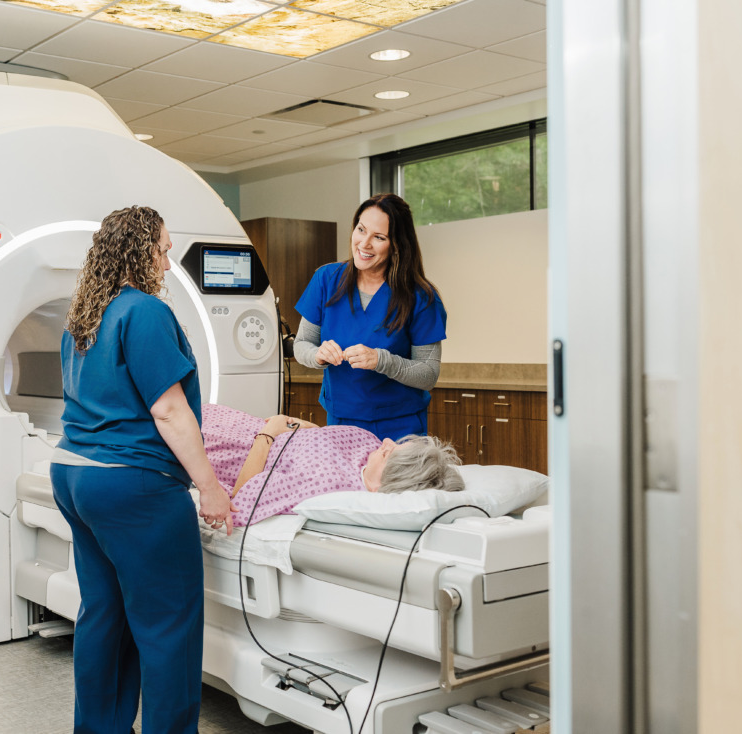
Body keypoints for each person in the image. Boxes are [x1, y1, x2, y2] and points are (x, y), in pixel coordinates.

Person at [50, 206, 234, 734]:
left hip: (74, 475)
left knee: (104, 613)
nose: (168, 261)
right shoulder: (144, 311)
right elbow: (168, 410)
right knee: (168, 625)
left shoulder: (83, 315)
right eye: (163, 249)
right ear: (138, 251)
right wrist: (210, 487)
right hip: (132, 485)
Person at [293, 193, 448, 441]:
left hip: (400, 427)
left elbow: (428, 374)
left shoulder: (421, 297)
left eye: (379, 237)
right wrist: (318, 355)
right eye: (361, 230)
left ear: (396, 244)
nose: (364, 244)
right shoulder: (326, 280)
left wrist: (380, 360)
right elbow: (301, 344)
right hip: (341, 422)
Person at [200, 403, 464, 527]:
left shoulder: (327, 485)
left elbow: (244, 500)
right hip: (228, 420)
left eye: (388, 454)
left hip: (219, 448)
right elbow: (320, 434)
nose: (385, 442)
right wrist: (291, 423)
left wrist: (269, 433)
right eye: (393, 444)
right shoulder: (368, 443)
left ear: (383, 485)